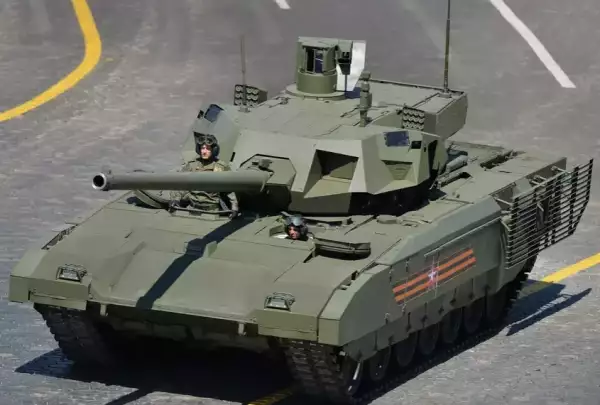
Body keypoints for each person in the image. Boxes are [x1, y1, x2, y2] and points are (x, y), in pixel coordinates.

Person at [170, 133, 239, 218]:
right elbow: (180, 183)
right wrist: (175, 199)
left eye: (208, 148)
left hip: (212, 212)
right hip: (192, 208)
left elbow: (230, 188)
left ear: (214, 150)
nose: (204, 151)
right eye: (202, 148)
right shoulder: (192, 165)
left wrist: (234, 206)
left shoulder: (221, 167)